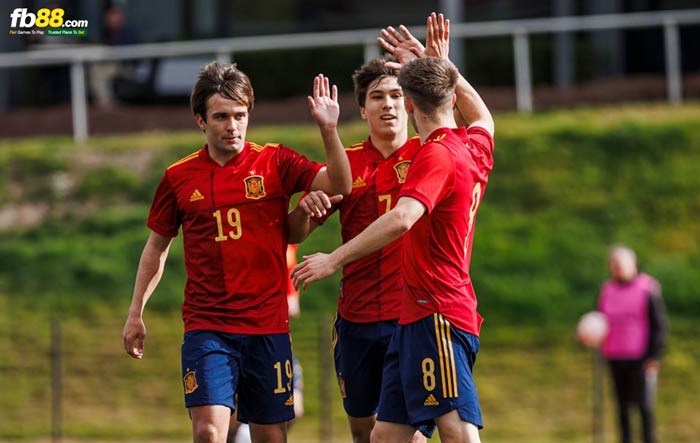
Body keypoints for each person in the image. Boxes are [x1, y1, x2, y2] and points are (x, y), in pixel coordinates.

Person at [122, 61, 351, 443]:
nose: (233, 125)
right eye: (221, 116)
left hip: (268, 326)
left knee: (270, 436)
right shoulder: (178, 178)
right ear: (200, 120)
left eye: (240, 115)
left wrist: (328, 129)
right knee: (209, 433)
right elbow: (156, 249)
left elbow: (342, 183)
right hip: (207, 327)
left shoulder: (275, 161)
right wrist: (135, 313)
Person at [290, 17, 495, 443]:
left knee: (456, 429)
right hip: (403, 317)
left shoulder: (433, 155)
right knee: (382, 435)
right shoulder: (472, 144)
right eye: (377, 96)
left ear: (411, 106)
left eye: (399, 95)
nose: (389, 104)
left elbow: (403, 218)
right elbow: (484, 117)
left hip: (435, 308)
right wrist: (441, 66)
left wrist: (333, 259)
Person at [227, 244, 305, 443]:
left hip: (274, 343)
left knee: (295, 408)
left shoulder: (287, 249)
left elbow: (293, 307)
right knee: (229, 418)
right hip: (238, 341)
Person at [597, 245, 668, 443]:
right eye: (614, 265)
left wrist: (654, 356)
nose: (618, 269)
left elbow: (659, 325)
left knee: (644, 406)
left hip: (640, 356)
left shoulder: (647, 288)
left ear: (633, 264)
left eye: (621, 265)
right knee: (622, 406)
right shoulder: (607, 289)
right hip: (614, 354)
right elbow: (599, 319)